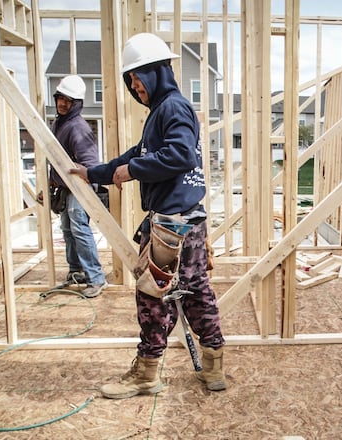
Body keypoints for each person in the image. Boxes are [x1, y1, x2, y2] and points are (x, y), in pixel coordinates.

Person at [70, 32, 226, 399]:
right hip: (187, 221)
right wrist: (94, 173)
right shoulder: (163, 112)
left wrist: (132, 170)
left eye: (137, 77)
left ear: (156, 72)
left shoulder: (172, 107)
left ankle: (146, 374)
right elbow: (132, 156)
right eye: (130, 81)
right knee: (195, 293)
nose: (134, 85)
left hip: (172, 226)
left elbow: (180, 156)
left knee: (153, 298)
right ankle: (213, 367)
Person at [50, 75, 107, 298]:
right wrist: (51, 184)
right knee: (67, 229)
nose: (63, 104)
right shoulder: (58, 124)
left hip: (80, 187)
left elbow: (91, 164)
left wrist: (79, 171)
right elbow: (55, 160)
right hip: (65, 187)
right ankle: (77, 271)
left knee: (79, 229)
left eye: (69, 100)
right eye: (61, 98)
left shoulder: (77, 127)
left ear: (77, 103)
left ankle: (96, 277)